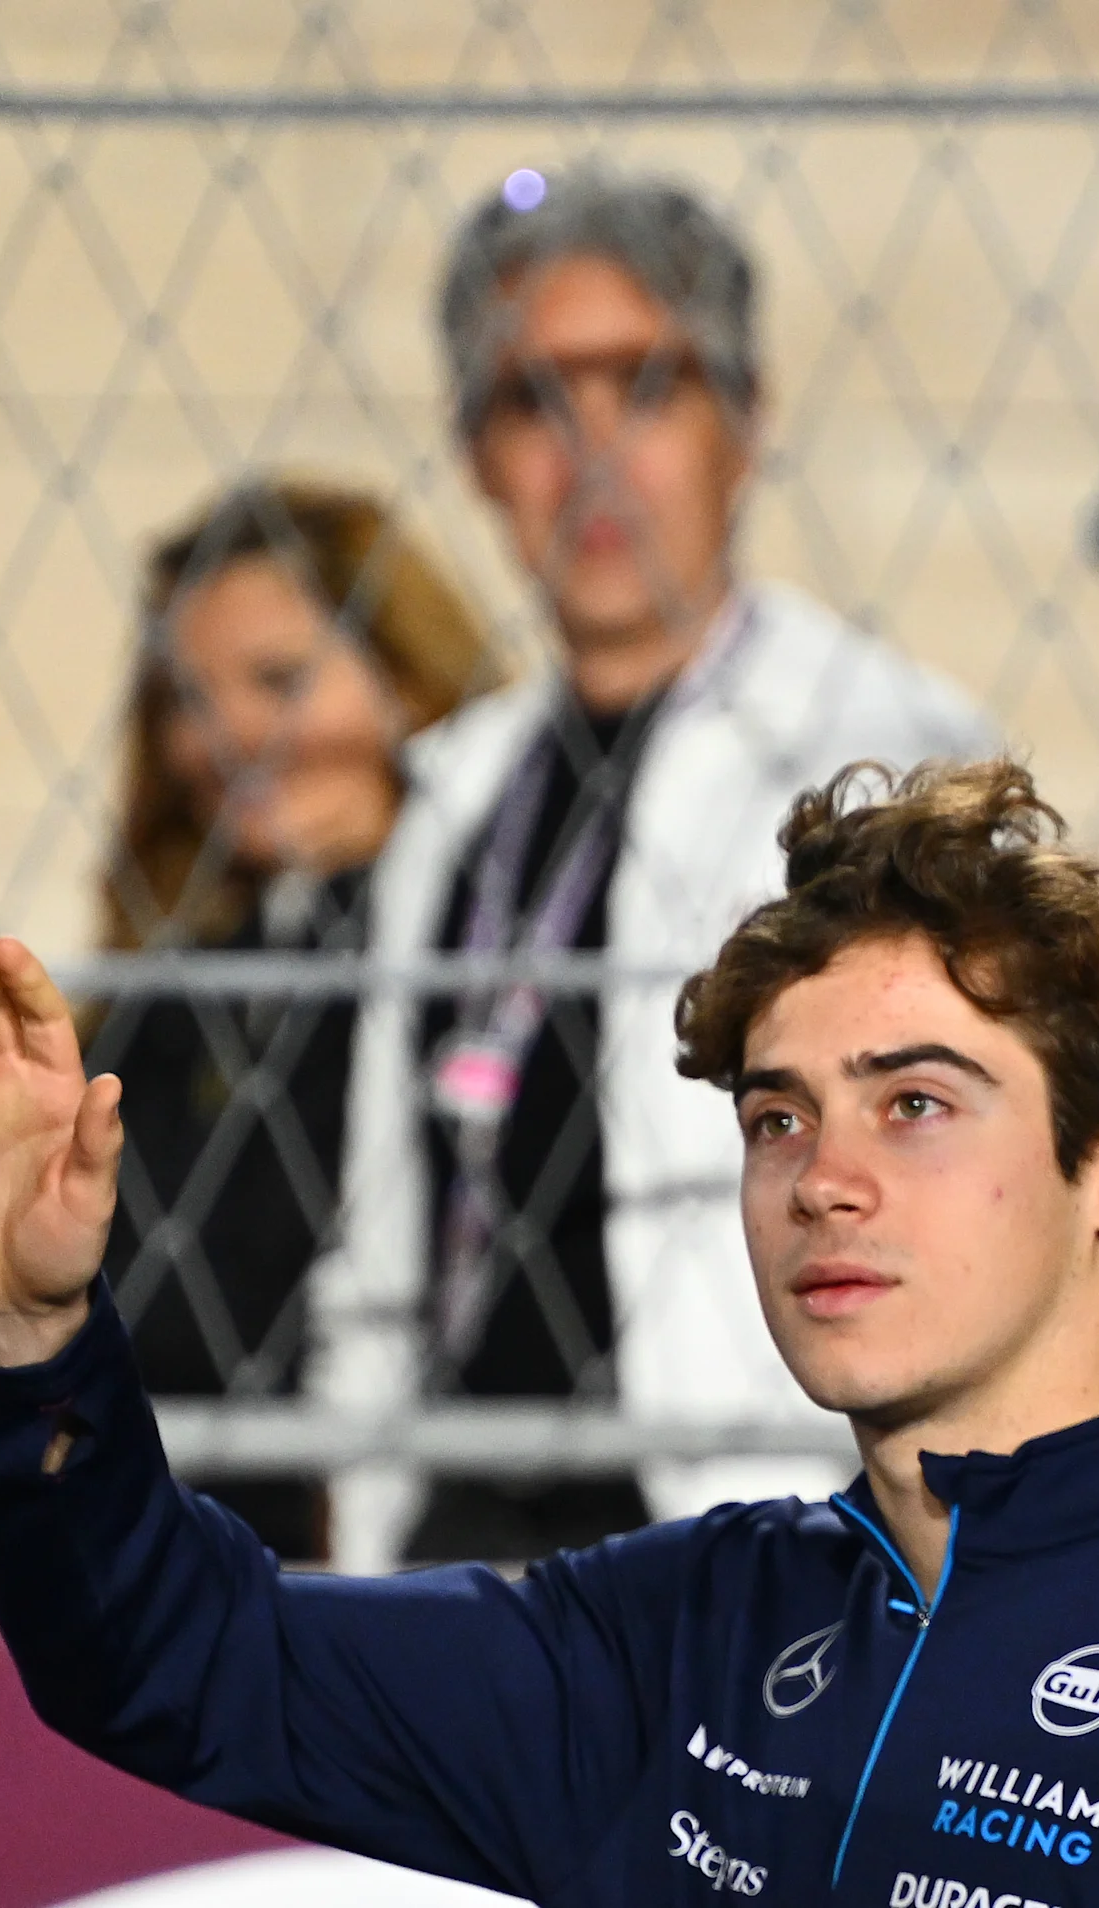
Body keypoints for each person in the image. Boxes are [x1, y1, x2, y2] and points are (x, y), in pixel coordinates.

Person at [0, 760, 1099, 1907]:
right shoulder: (691, 1633)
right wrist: (24, 1322)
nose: (827, 1180)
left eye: (919, 1104)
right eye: (778, 1117)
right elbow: (178, 1663)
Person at [312, 168, 998, 1568]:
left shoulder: (884, 750)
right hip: (465, 1535)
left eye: (645, 385)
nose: (593, 453)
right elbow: (389, 1220)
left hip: (756, 1532)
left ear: (744, 424)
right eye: (533, 402)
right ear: (475, 454)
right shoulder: (457, 794)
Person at [90, 479, 500, 1559]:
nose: (222, 734)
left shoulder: (483, 968)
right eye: (186, 695)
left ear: (411, 686)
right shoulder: (173, 980)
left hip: (347, 1523)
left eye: (279, 680)